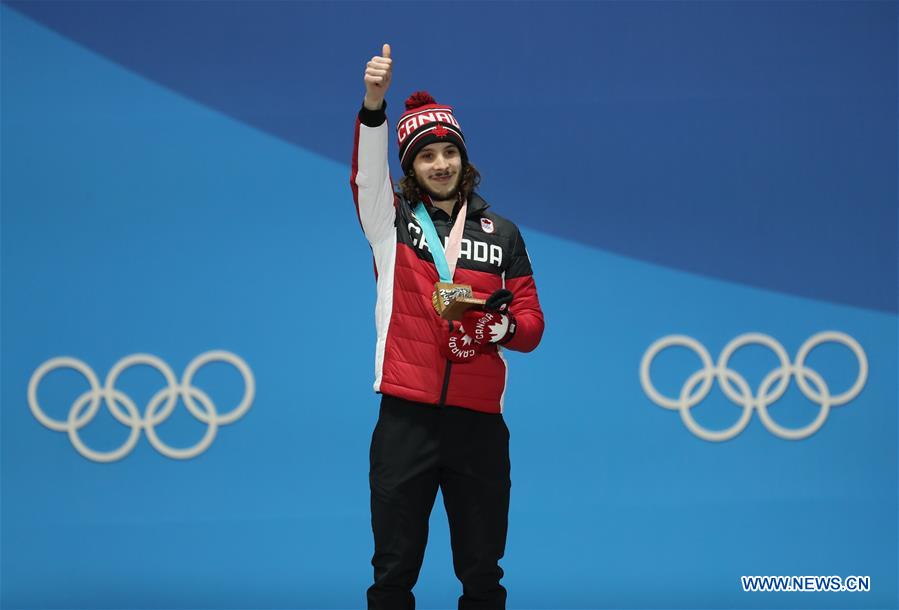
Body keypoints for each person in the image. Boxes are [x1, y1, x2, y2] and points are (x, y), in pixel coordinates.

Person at [350, 42, 545, 610]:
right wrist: (373, 105)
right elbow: (365, 176)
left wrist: (496, 331)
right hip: (405, 417)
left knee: (483, 573)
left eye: (449, 152)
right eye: (426, 155)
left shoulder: (501, 232)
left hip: (478, 424)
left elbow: (532, 324)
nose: (440, 163)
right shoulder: (390, 225)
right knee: (393, 574)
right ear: (408, 167)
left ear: (464, 158)